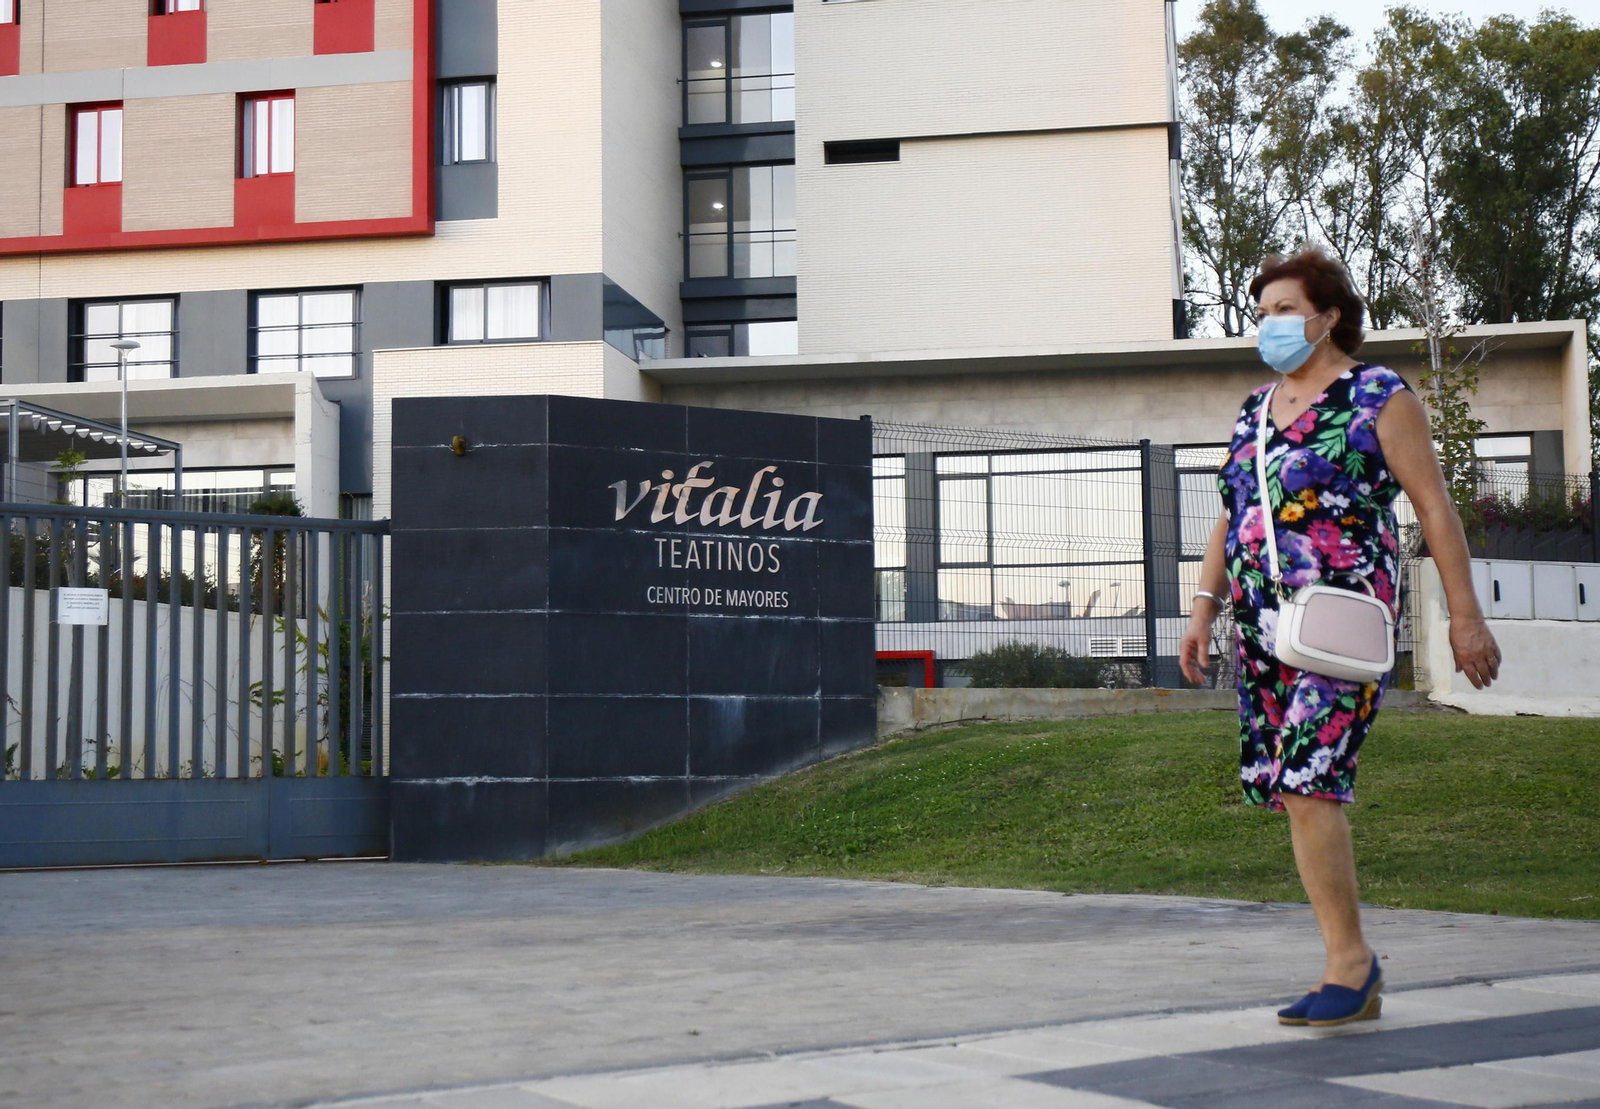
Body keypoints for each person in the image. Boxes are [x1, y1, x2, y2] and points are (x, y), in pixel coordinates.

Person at [1177, 245, 1501, 1028]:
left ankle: (1349, 966)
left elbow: (1434, 507)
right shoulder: (1255, 408)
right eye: (1261, 314)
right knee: (1292, 791)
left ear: (1327, 316)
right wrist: (1201, 606)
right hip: (1262, 625)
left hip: (1344, 618)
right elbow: (1232, 512)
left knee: (1309, 778)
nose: (1270, 325)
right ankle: (1350, 961)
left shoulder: (1377, 396)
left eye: (1283, 311)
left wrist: (1465, 615)